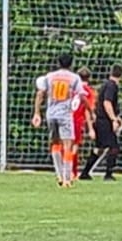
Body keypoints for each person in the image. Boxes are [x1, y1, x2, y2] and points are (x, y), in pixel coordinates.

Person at [32, 54, 83, 187]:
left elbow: (40, 93)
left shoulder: (49, 77)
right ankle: (67, 178)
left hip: (51, 114)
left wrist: (37, 113)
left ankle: (59, 175)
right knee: (67, 145)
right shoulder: (74, 78)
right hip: (65, 115)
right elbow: (81, 95)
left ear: (58, 63)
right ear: (71, 64)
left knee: (55, 143)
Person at [90, 65, 122, 180]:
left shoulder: (105, 84)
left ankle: (85, 173)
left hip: (100, 120)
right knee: (114, 147)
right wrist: (113, 119)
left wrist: (117, 118)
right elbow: (107, 103)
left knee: (99, 148)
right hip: (105, 121)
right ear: (121, 75)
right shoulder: (112, 86)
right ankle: (108, 174)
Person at [72, 68, 96, 180]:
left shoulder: (72, 89)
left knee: (66, 145)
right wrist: (90, 128)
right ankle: (72, 172)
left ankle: (65, 169)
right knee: (75, 146)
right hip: (77, 120)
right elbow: (87, 109)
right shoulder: (89, 92)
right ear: (89, 78)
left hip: (66, 118)